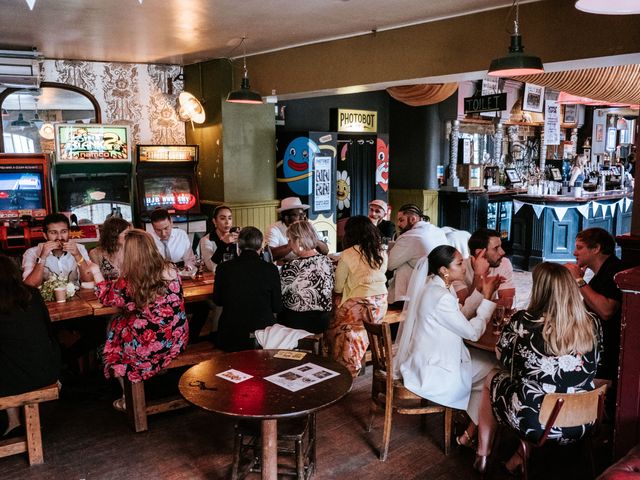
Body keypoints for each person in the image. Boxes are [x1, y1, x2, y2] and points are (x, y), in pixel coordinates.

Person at [474, 262, 601, 475]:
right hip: (583, 419)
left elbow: (504, 359)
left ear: (540, 290)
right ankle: (519, 456)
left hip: (537, 421)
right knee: (545, 387)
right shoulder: (592, 322)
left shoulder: (524, 322)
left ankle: (483, 455)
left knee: (493, 378)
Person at [395, 245, 500, 442]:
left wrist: (479, 292)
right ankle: (475, 432)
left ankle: (470, 430)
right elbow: (472, 333)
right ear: (444, 270)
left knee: (485, 367)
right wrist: (487, 298)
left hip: (425, 361)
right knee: (493, 368)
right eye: (459, 264)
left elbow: (459, 316)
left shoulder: (435, 286)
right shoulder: (441, 296)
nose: (463, 268)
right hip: (434, 370)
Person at [89, 229, 188, 408]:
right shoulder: (171, 268)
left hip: (151, 345)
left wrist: (96, 272)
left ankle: (129, 400)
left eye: (121, 248)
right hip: (176, 337)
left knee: (115, 342)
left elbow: (107, 298)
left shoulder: (130, 280)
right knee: (120, 323)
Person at [0, 255, 60, 437]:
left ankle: (13, 421)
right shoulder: (32, 293)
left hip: (15, 378)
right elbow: (49, 331)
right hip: (46, 370)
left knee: (8, 354)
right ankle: (16, 422)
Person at [327, 216, 388, 377]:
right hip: (379, 305)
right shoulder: (381, 251)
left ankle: (343, 367)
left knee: (334, 325)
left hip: (358, 305)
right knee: (357, 330)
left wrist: (339, 295)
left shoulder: (347, 254)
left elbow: (338, 285)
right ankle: (353, 360)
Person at [564, 228, 624, 384]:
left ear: (596, 248)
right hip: (595, 349)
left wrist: (579, 280)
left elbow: (606, 310)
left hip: (609, 358)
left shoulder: (615, 271)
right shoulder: (599, 277)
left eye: (579, 247)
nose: (574, 253)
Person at [213, 227, 282, 351]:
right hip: (263, 335)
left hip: (231, 335)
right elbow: (276, 306)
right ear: (261, 246)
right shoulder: (270, 269)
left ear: (239, 245)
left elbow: (218, 300)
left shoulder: (223, 268)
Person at [387, 204, 448, 305]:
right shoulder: (438, 231)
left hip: (416, 293)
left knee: (402, 264)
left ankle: (398, 304)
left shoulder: (410, 236)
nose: (398, 224)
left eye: (401, 220)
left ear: (413, 219)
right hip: (440, 283)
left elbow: (389, 264)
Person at [279, 221, 334, 334]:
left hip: (298, 322)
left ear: (298, 241)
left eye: (290, 239)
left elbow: (279, 295)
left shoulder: (291, 266)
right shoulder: (327, 260)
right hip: (323, 321)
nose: (289, 243)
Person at [22, 212, 92, 287]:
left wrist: (77, 255)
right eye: (53, 233)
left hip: (77, 295)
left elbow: (89, 280)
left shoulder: (79, 249)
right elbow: (30, 285)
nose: (59, 237)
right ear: (45, 235)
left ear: (69, 232)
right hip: (46, 298)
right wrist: (42, 257)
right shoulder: (31, 253)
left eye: (64, 232)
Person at [453, 228, 516, 308]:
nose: (502, 252)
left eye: (501, 246)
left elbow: (507, 303)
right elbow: (465, 309)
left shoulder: (503, 263)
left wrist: (481, 304)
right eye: (496, 248)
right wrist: (478, 275)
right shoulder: (458, 270)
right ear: (480, 253)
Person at [266, 197, 329, 262]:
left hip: (308, 264)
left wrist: (313, 240)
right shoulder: (274, 229)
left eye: (303, 214)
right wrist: (293, 243)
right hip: (287, 267)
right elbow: (270, 256)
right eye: (298, 215)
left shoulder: (307, 226)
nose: (302, 218)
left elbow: (325, 251)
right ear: (286, 217)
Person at [198, 205, 239, 272]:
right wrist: (223, 244)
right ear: (214, 221)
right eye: (222, 218)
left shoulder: (236, 237)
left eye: (229, 218)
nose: (227, 222)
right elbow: (211, 267)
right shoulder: (206, 240)